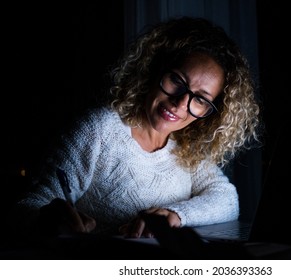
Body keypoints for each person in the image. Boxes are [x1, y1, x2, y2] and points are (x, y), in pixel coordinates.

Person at [10, 16, 261, 238]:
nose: (181, 104)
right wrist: (46, 220)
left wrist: (175, 214)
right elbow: (27, 206)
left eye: (201, 99)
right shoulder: (99, 129)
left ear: (209, 112)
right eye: (177, 80)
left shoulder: (187, 145)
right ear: (154, 69)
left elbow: (228, 200)